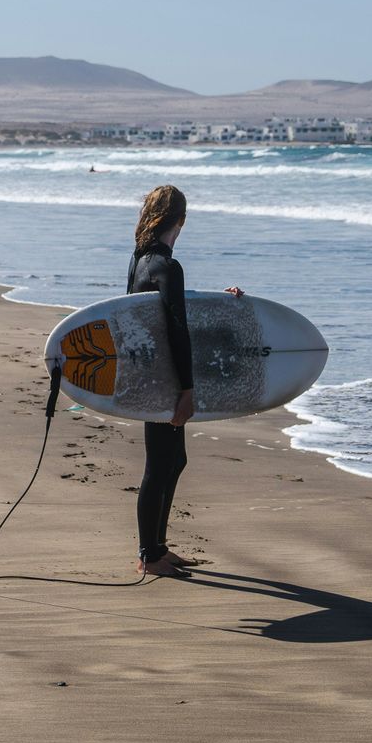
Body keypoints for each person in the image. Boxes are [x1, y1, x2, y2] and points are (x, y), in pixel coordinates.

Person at [127, 184, 243, 577]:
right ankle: (149, 555)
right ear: (181, 221)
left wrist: (223, 304)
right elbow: (178, 331)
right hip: (167, 381)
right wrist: (188, 391)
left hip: (148, 376)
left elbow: (163, 313)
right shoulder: (168, 266)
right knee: (159, 465)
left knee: (174, 460)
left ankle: (158, 547)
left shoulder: (140, 262)